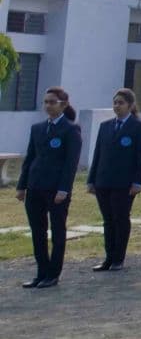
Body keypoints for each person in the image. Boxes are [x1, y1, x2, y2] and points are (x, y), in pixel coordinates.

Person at [16, 87, 84, 289]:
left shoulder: (71, 129)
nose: (48, 106)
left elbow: (70, 163)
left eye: (52, 102)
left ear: (63, 104)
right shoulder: (37, 128)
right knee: (37, 231)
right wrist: (22, 185)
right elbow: (30, 158)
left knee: (57, 231)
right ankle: (41, 272)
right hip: (35, 186)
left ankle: (53, 274)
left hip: (56, 190)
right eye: (45, 102)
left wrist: (63, 189)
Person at [86, 88, 141, 272]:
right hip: (103, 180)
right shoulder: (105, 126)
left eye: (121, 103)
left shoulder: (139, 128)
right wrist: (91, 180)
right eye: (115, 102)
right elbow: (97, 154)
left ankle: (118, 258)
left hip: (124, 182)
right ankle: (108, 257)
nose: (117, 106)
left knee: (120, 218)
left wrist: (137, 182)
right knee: (107, 220)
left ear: (130, 105)